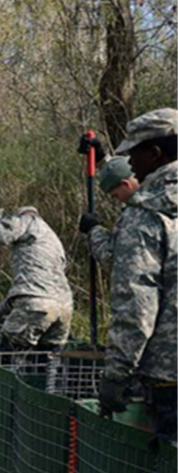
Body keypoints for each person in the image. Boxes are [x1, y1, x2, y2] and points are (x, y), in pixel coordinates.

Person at [97, 107, 178, 440]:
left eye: (135, 155)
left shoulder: (145, 217)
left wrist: (117, 373)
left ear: (155, 154)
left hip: (170, 375)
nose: (131, 165)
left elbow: (135, 304)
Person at [0, 206, 73, 352]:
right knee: (46, 362)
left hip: (36, 304)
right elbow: (38, 291)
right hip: (64, 307)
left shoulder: (27, 221)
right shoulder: (52, 239)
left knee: (9, 353)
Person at [78, 156, 139, 265]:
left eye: (115, 195)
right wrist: (101, 159)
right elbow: (122, 169)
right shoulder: (161, 192)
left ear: (126, 184)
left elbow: (112, 257)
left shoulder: (137, 216)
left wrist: (93, 230)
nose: (118, 200)